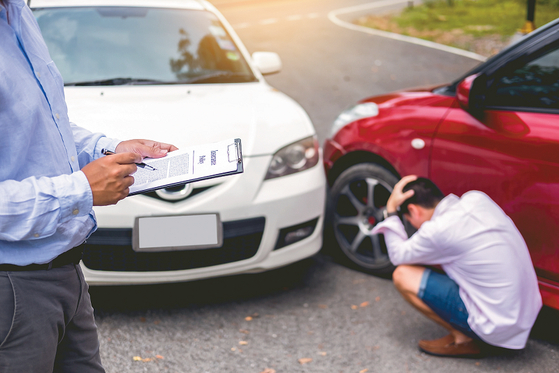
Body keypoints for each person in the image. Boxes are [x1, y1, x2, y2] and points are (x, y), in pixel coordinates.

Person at [0, 0, 177, 371]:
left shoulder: (18, 13)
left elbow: (40, 125)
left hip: (67, 272)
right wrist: (81, 190)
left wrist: (109, 148)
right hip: (13, 289)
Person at [372, 175, 542, 357]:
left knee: (402, 275)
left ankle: (464, 339)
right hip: (526, 312)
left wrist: (391, 210)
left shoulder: (438, 230)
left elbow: (398, 256)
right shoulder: (477, 198)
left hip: (497, 324)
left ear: (414, 210)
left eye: (408, 219)